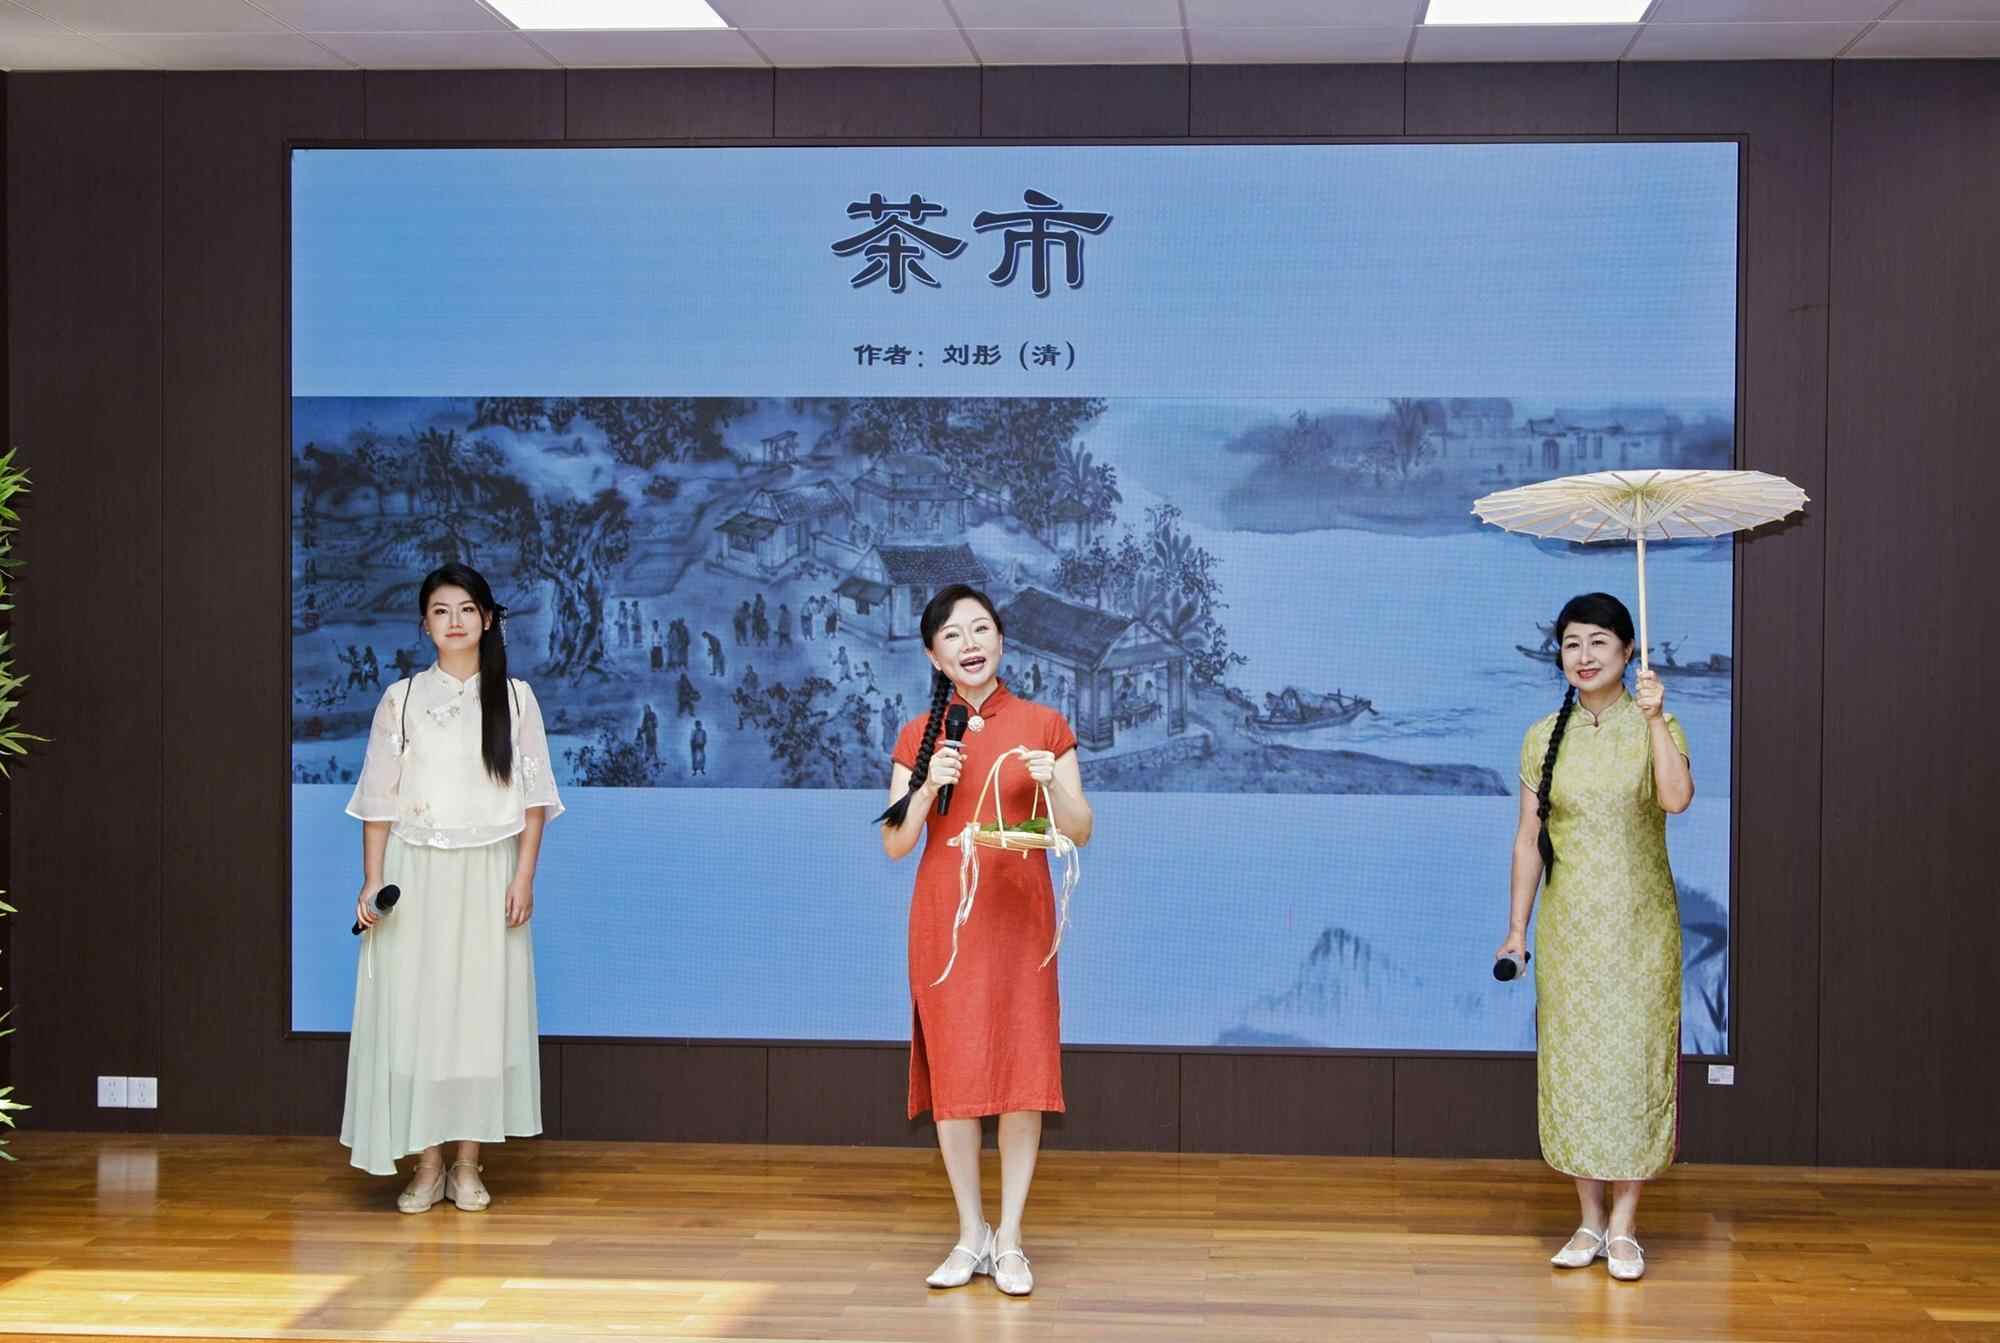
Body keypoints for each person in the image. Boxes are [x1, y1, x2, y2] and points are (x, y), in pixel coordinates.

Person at [878, 584, 1093, 1297]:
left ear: (1001, 639)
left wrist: (1051, 785)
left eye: (980, 629)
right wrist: (924, 787)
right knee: (958, 1077)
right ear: (932, 655)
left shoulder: (1044, 724)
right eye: (952, 635)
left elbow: (1081, 829)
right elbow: (894, 844)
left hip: (1021, 922)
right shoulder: (918, 735)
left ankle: (1011, 1239)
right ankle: (971, 1232)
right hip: (946, 924)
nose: (969, 644)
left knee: (1021, 1075)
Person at [343, 562, 564, 1212]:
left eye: (467, 609)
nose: (455, 621)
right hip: (416, 874)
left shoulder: (516, 699)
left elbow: (535, 799)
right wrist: (373, 879)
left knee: (479, 1017)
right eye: (441, 611)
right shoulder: (401, 699)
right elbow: (378, 801)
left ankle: (468, 1163)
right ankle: (427, 1163)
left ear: (487, 619)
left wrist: (523, 875)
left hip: (490, 873)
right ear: (425, 624)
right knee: (420, 1016)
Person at [1497, 592, 1693, 1283]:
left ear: (1628, 651)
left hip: (1641, 931)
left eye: (1599, 643)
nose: (1583, 656)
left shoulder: (1656, 723)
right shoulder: (1542, 736)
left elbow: (1676, 799)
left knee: (1633, 1068)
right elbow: (1528, 841)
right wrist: (1516, 930)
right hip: (1571, 932)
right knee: (1577, 1068)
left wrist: (1655, 718)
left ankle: (1625, 1225)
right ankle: (1587, 1219)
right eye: (1572, 643)